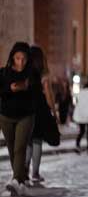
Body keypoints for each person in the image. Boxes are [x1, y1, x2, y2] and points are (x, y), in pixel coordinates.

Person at [1, 42, 38, 196]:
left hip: (26, 116)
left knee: (20, 147)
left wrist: (27, 87)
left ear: (27, 59)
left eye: (23, 58)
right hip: (6, 116)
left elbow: (37, 93)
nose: (21, 62)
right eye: (17, 58)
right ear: (12, 58)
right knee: (11, 149)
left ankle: (16, 179)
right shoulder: (4, 73)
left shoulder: (32, 74)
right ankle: (21, 181)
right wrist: (10, 89)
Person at [25, 46, 58, 184]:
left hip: (25, 108)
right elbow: (48, 94)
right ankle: (35, 173)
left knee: (27, 141)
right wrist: (54, 111)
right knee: (37, 140)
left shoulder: (25, 71)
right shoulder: (43, 73)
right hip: (39, 109)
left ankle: (24, 171)